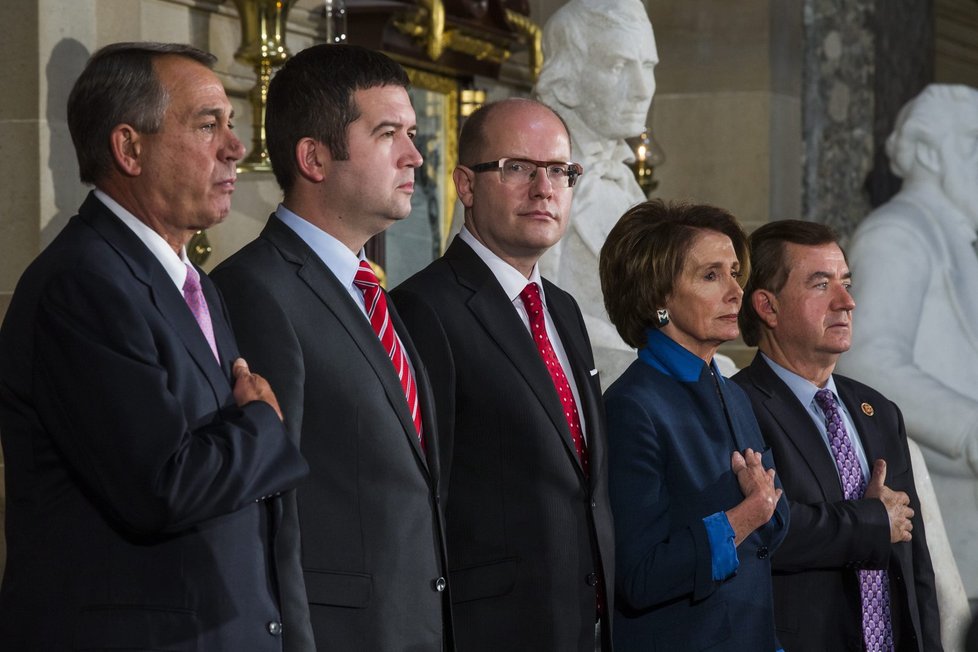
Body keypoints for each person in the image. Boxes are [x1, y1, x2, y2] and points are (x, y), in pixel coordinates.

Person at [0, 42, 308, 651]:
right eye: (206, 124)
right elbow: (162, 485)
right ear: (129, 148)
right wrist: (263, 425)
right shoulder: (83, 284)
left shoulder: (189, 282)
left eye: (230, 123)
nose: (235, 146)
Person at [210, 44, 451, 651]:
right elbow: (271, 506)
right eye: (388, 133)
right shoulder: (256, 289)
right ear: (314, 158)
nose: (414, 156)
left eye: (413, 133)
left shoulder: (369, 287)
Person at [391, 98, 615, 651]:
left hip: (585, 624)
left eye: (560, 171)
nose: (544, 188)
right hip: (492, 628)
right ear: (466, 185)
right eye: (518, 168)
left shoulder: (561, 308)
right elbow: (422, 498)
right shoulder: (424, 309)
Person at [733, 220, 942, 652]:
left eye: (845, 283)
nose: (846, 302)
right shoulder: (738, 407)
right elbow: (768, 533)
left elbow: (915, 561)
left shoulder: (880, 412)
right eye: (820, 285)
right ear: (768, 307)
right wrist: (871, 521)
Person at [599, 200, 788, 651]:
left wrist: (761, 510)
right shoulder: (631, 407)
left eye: (735, 272)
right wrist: (744, 516)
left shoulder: (733, 393)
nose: (736, 291)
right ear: (657, 298)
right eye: (710, 276)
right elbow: (639, 577)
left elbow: (776, 520)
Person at [835, 83, 978, 601]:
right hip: (946, 494)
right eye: (973, 143)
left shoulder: (947, 235)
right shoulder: (899, 232)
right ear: (927, 152)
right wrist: (970, 429)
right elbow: (869, 360)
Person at [533, 0, 658, 382]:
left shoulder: (624, 183)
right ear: (567, 80)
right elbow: (523, 309)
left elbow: (654, 309)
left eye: (649, 67)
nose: (642, 90)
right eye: (620, 66)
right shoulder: (523, 175)